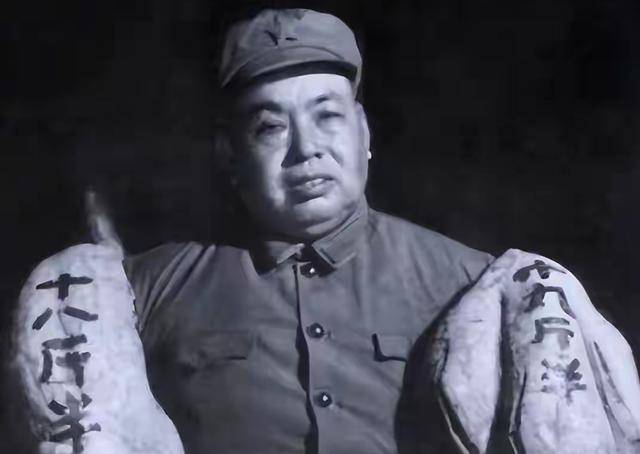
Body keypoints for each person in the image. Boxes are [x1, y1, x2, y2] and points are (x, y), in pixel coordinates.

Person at [123, 8, 494, 454]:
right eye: (270, 127)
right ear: (229, 154)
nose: (307, 149)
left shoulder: (472, 285)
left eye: (327, 116)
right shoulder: (143, 293)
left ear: (363, 132)